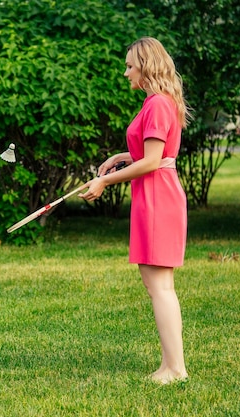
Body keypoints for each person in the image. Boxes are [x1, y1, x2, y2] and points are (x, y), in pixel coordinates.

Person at [78, 37, 191, 384]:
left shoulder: (157, 103)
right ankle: (170, 365)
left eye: (130, 66)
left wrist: (104, 183)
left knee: (159, 286)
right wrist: (119, 157)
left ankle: (175, 369)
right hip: (156, 195)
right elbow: (153, 153)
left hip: (158, 196)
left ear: (147, 66)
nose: (125, 72)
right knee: (159, 284)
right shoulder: (157, 102)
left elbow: (154, 161)